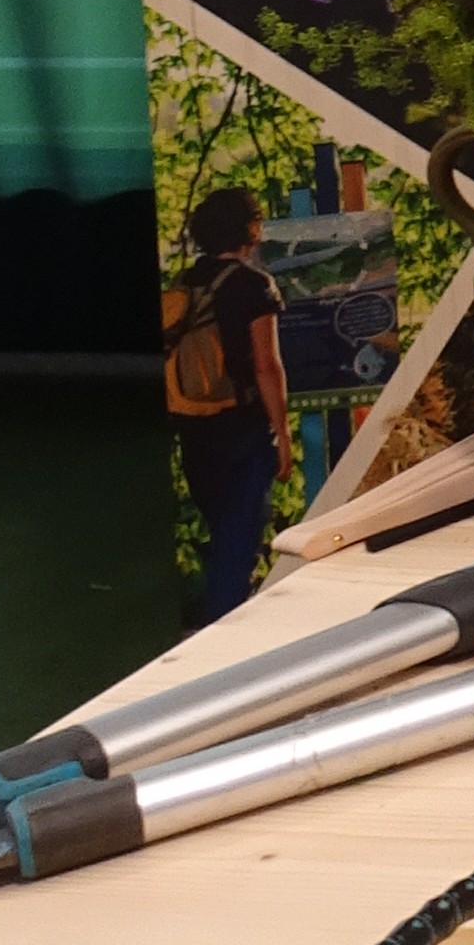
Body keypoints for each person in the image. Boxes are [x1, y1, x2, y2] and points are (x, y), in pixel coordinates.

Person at [166, 185, 289, 626]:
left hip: (193, 427)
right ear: (249, 229)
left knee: (223, 536)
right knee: (239, 545)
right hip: (242, 426)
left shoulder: (185, 283)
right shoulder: (255, 286)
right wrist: (284, 436)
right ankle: (222, 636)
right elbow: (266, 367)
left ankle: (217, 620)